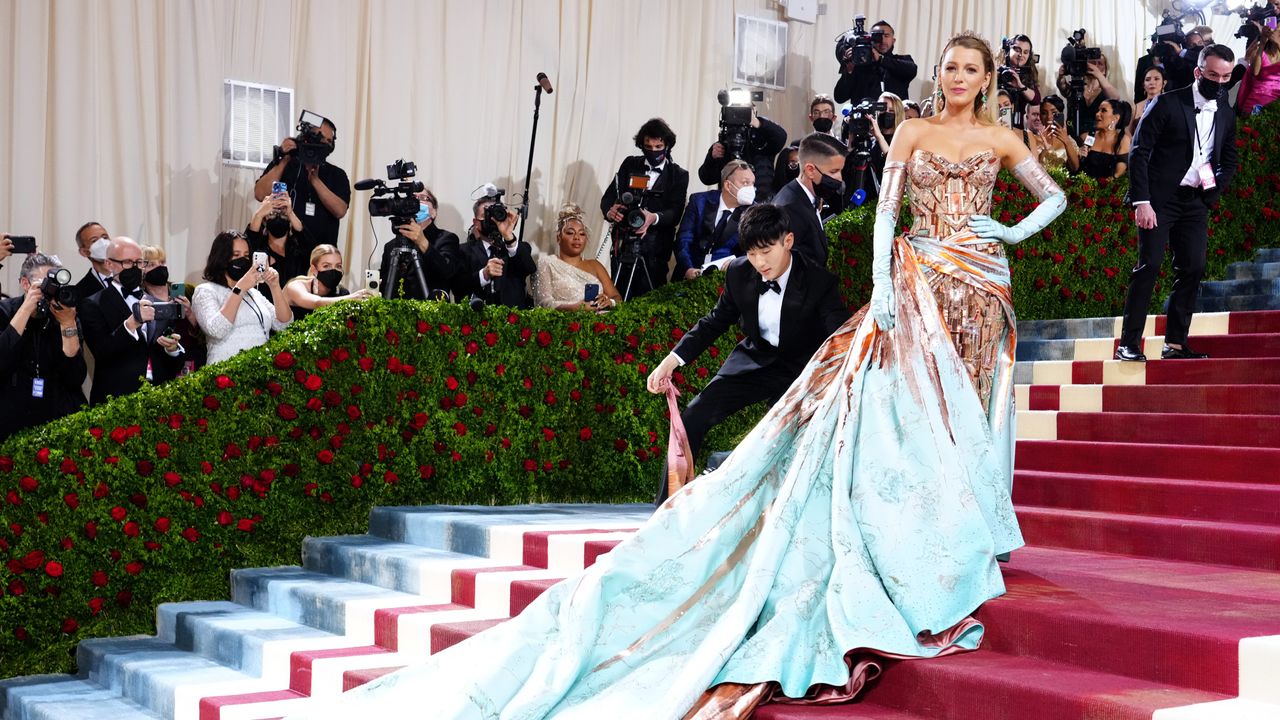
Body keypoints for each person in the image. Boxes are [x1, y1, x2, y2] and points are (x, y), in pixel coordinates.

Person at [284, 33, 1063, 720]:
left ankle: (968, 529)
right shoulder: (915, 130)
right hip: (919, 280)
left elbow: (1053, 196)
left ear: (989, 75)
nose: (959, 74)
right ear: (941, 71)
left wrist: (1008, 227)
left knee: (971, 408)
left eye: (972, 67)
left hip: (985, 285)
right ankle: (908, 533)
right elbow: (888, 216)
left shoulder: (999, 138)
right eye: (951, 64)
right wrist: (887, 291)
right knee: (911, 409)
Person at [648, 202, 848, 504]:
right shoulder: (739, 273)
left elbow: (839, 336)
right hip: (754, 361)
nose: (759, 261)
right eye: (752, 252)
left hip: (800, 371)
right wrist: (671, 360)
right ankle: (666, 509)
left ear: (788, 241)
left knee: (775, 440)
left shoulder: (819, 282)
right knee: (693, 416)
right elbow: (714, 322)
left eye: (766, 251)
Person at [1118, 44, 1239, 362]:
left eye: (1226, 76)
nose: (1220, 81)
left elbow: (1229, 158)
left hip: (1195, 200)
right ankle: (1128, 344)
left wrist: (1212, 194)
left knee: (1194, 267)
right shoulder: (1167, 103)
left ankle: (1175, 343)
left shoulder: (1225, 111)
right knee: (1150, 266)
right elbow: (1139, 151)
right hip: (1159, 200)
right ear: (1199, 72)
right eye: (1214, 74)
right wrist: (1141, 201)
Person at [79, 237, 185, 404]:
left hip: (160, 399)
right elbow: (102, 352)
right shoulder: (92, 304)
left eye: (139, 262)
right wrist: (131, 324)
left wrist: (172, 350)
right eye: (128, 262)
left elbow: (170, 361)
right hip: (117, 400)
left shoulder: (157, 302)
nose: (135, 268)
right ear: (109, 264)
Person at [0, 253, 86, 441]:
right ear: (25, 284)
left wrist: (67, 323)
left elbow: (75, 376)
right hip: (12, 417)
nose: (51, 291)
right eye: (45, 284)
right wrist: (26, 309)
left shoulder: (65, 315)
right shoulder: (6, 311)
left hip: (58, 414)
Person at [602, 118, 690, 298]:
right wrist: (610, 211)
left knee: (651, 299)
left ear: (667, 146)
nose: (653, 151)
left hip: (656, 249)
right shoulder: (630, 164)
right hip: (624, 245)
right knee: (618, 296)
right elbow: (609, 196)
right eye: (648, 147)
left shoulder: (678, 175)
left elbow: (675, 213)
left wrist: (653, 217)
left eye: (658, 147)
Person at [191, 231, 292, 365]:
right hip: (226, 374)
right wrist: (240, 288)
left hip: (259, 371)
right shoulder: (205, 291)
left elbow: (284, 325)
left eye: (246, 255)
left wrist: (275, 287)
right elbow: (216, 330)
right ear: (221, 258)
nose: (242, 260)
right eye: (236, 255)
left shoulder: (253, 293)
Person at [252, 117, 350, 252]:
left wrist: (315, 180)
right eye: (320, 138)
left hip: (319, 255)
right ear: (306, 137)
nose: (325, 144)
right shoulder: (284, 164)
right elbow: (260, 194)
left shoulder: (337, 174)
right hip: (281, 252)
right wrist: (285, 159)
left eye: (329, 141)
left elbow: (340, 210)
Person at [771, 132, 847, 266]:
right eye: (833, 171)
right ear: (810, 170)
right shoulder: (789, 209)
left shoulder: (811, 198)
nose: (839, 179)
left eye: (840, 171)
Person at [674, 160, 756, 280]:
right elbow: (684, 238)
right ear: (728, 185)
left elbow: (752, 251)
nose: (751, 189)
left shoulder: (754, 213)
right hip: (688, 273)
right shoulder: (699, 201)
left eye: (753, 184)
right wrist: (688, 268)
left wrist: (735, 265)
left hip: (726, 280)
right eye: (745, 183)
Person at [532, 204, 622, 311]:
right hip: (565, 323)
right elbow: (544, 303)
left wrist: (609, 301)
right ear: (558, 238)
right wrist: (577, 307)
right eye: (570, 233)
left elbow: (617, 298)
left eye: (582, 234)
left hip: (600, 322)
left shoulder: (595, 265)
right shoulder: (547, 263)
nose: (577, 238)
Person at [378, 188, 463, 300]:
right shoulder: (391, 246)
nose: (416, 201)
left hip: (430, 313)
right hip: (395, 313)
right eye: (413, 198)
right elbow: (384, 286)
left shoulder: (446, 239)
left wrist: (423, 242)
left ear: (434, 212)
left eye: (422, 198)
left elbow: (448, 272)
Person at [455, 195, 535, 307]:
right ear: (476, 222)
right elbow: (458, 287)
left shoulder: (519, 248)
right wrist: (484, 274)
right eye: (486, 216)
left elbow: (529, 268)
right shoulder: (462, 250)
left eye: (496, 216)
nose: (492, 221)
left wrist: (508, 236)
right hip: (476, 318)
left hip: (513, 320)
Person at [140, 244, 203, 374]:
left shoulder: (188, 291)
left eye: (162, 262)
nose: (160, 267)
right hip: (163, 368)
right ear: (141, 271)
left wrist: (190, 313)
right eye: (152, 265)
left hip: (196, 362)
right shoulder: (141, 301)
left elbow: (206, 333)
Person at [834, 19, 919, 104]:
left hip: (895, 115)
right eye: (877, 36)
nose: (882, 40)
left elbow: (911, 70)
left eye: (886, 35)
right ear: (870, 39)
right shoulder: (859, 66)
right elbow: (839, 97)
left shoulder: (902, 60)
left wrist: (881, 59)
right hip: (864, 115)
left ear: (893, 40)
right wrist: (849, 71)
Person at [245, 191, 311, 300]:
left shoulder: (298, 250)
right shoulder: (259, 250)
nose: (278, 216)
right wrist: (259, 214)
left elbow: (309, 244)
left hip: (297, 309)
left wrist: (290, 212)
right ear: (265, 221)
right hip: (266, 308)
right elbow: (249, 241)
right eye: (272, 214)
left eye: (282, 214)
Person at [283, 244, 376, 321]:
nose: (333, 270)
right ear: (314, 269)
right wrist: (353, 298)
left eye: (338, 266)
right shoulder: (296, 286)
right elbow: (317, 303)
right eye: (326, 266)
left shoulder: (342, 293)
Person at [1056, 51, 1121, 138]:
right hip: (1072, 136)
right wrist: (1061, 76)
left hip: (1096, 139)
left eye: (1100, 64)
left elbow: (1115, 98)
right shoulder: (1077, 87)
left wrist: (1098, 74)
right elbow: (1062, 86)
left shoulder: (1106, 91)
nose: (1095, 66)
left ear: (1105, 70)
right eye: (1092, 63)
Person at [1077, 99, 1132, 180]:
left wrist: (1103, 188)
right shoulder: (1086, 137)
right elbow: (1075, 168)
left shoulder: (1123, 140)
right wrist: (1078, 155)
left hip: (1109, 189)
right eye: (1098, 110)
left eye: (1103, 111)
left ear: (1116, 118)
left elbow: (1118, 174)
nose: (1097, 114)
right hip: (1082, 187)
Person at [1025, 95, 1080, 173]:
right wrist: (1044, 150)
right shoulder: (1032, 139)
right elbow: (1032, 171)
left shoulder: (1069, 140)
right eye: (1044, 113)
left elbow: (1075, 167)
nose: (1049, 117)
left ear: (1061, 115)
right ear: (1040, 116)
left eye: (1054, 113)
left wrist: (1066, 142)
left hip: (1064, 183)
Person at [1237, 18, 1280, 116]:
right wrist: (1263, 42)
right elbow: (1255, 72)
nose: (1275, 31)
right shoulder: (1262, 54)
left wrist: (1278, 43)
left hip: (1274, 106)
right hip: (1254, 103)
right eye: (1276, 28)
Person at [999, 34, 1042, 130]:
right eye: (1017, 50)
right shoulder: (998, 71)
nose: (1021, 55)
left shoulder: (1028, 74)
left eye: (1026, 52)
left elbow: (1036, 100)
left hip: (1018, 129)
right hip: (996, 125)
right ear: (1008, 49)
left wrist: (1020, 86)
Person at [71, 221, 112, 302]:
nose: (103, 243)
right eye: (94, 240)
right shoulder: (80, 292)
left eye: (105, 237)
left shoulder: (131, 275)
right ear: (84, 252)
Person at [1132, 66, 1169, 135]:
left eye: (1156, 79)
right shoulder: (1135, 108)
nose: (1152, 82)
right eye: (1148, 80)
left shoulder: (1170, 106)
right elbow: (1128, 132)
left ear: (1164, 83)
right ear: (1143, 84)